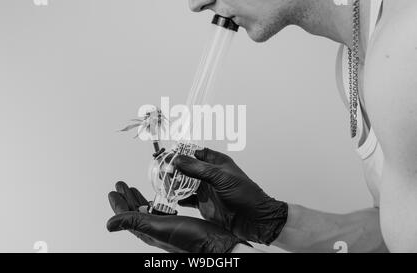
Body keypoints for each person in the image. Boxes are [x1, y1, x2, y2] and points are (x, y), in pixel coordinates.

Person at [107, 0, 417, 253]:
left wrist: (229, 256)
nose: (196, 4)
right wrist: (275, 222)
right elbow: (394, 234)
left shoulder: (403, 51)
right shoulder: (353, 63)